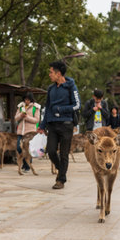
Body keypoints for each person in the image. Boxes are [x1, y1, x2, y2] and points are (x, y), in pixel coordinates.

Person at [38, 61, 81, 189]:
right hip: (52, 125)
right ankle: (61, 169)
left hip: (66, 124)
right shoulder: (51, 89)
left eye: (51, 72)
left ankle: (60, 180)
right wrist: (42, 125)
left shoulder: (70, 86)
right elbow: (47, 108)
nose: (49, 74)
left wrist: (60, 109)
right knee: (50, 151)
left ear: (58, 73)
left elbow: (77, 105)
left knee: (64, 154)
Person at [15, 92, 41, 172]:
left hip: (30, 132)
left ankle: (27, 166)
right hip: (21, 131)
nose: (26, 101)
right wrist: (20, 116)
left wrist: (27, 117)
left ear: (31, 99)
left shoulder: (35, 107)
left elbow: (37, 120)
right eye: (25, 99)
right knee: (19, 148)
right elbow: (16, 118)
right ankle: (24, 163)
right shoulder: (20, 106)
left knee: (28, 149)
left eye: (28, 100)